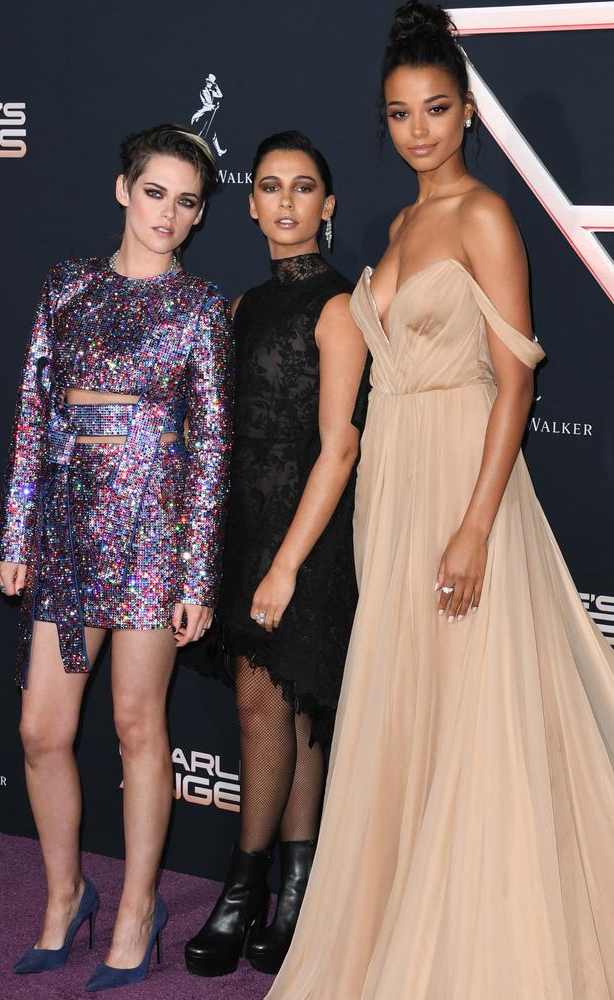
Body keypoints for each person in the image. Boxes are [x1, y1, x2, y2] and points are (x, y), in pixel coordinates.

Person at [265, 5, 614, 998]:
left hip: (464, 480)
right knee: (407, 705)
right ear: (384, 123)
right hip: (393, 485)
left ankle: (481, 942)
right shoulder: (398, 225)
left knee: (475, 707)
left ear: (466, 114)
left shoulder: (483, 217)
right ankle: (401, 908)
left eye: (434, 108)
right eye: (398, 113)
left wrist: (472, 524)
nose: (417, 129)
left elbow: (513, 383)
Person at [0, 123, 233, 992]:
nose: (169, 212)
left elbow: (209, 450)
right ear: (123, 189)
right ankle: (65, 896)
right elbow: (32, 414)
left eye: (188, 200)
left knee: (138, 727)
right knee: (40, 730)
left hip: (153, 539)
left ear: (201, 214)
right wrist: (15, 531)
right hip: (63, 528)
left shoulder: (203, 309)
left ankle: (137, 908)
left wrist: (197, 574)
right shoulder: (67, 288)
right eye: (156, 191)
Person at [182, 130, 368, 977]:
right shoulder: (240, 307)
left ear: (327, 206)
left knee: (268, 707)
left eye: (304, 188)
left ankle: (241, 888)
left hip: (311, 536)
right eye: (269, 187)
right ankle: (297, 889)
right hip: (244, 527)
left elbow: (339, 446)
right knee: (288, 712)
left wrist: (288, 563)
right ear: (249, 201)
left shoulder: (340, 305)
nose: (286, 202)